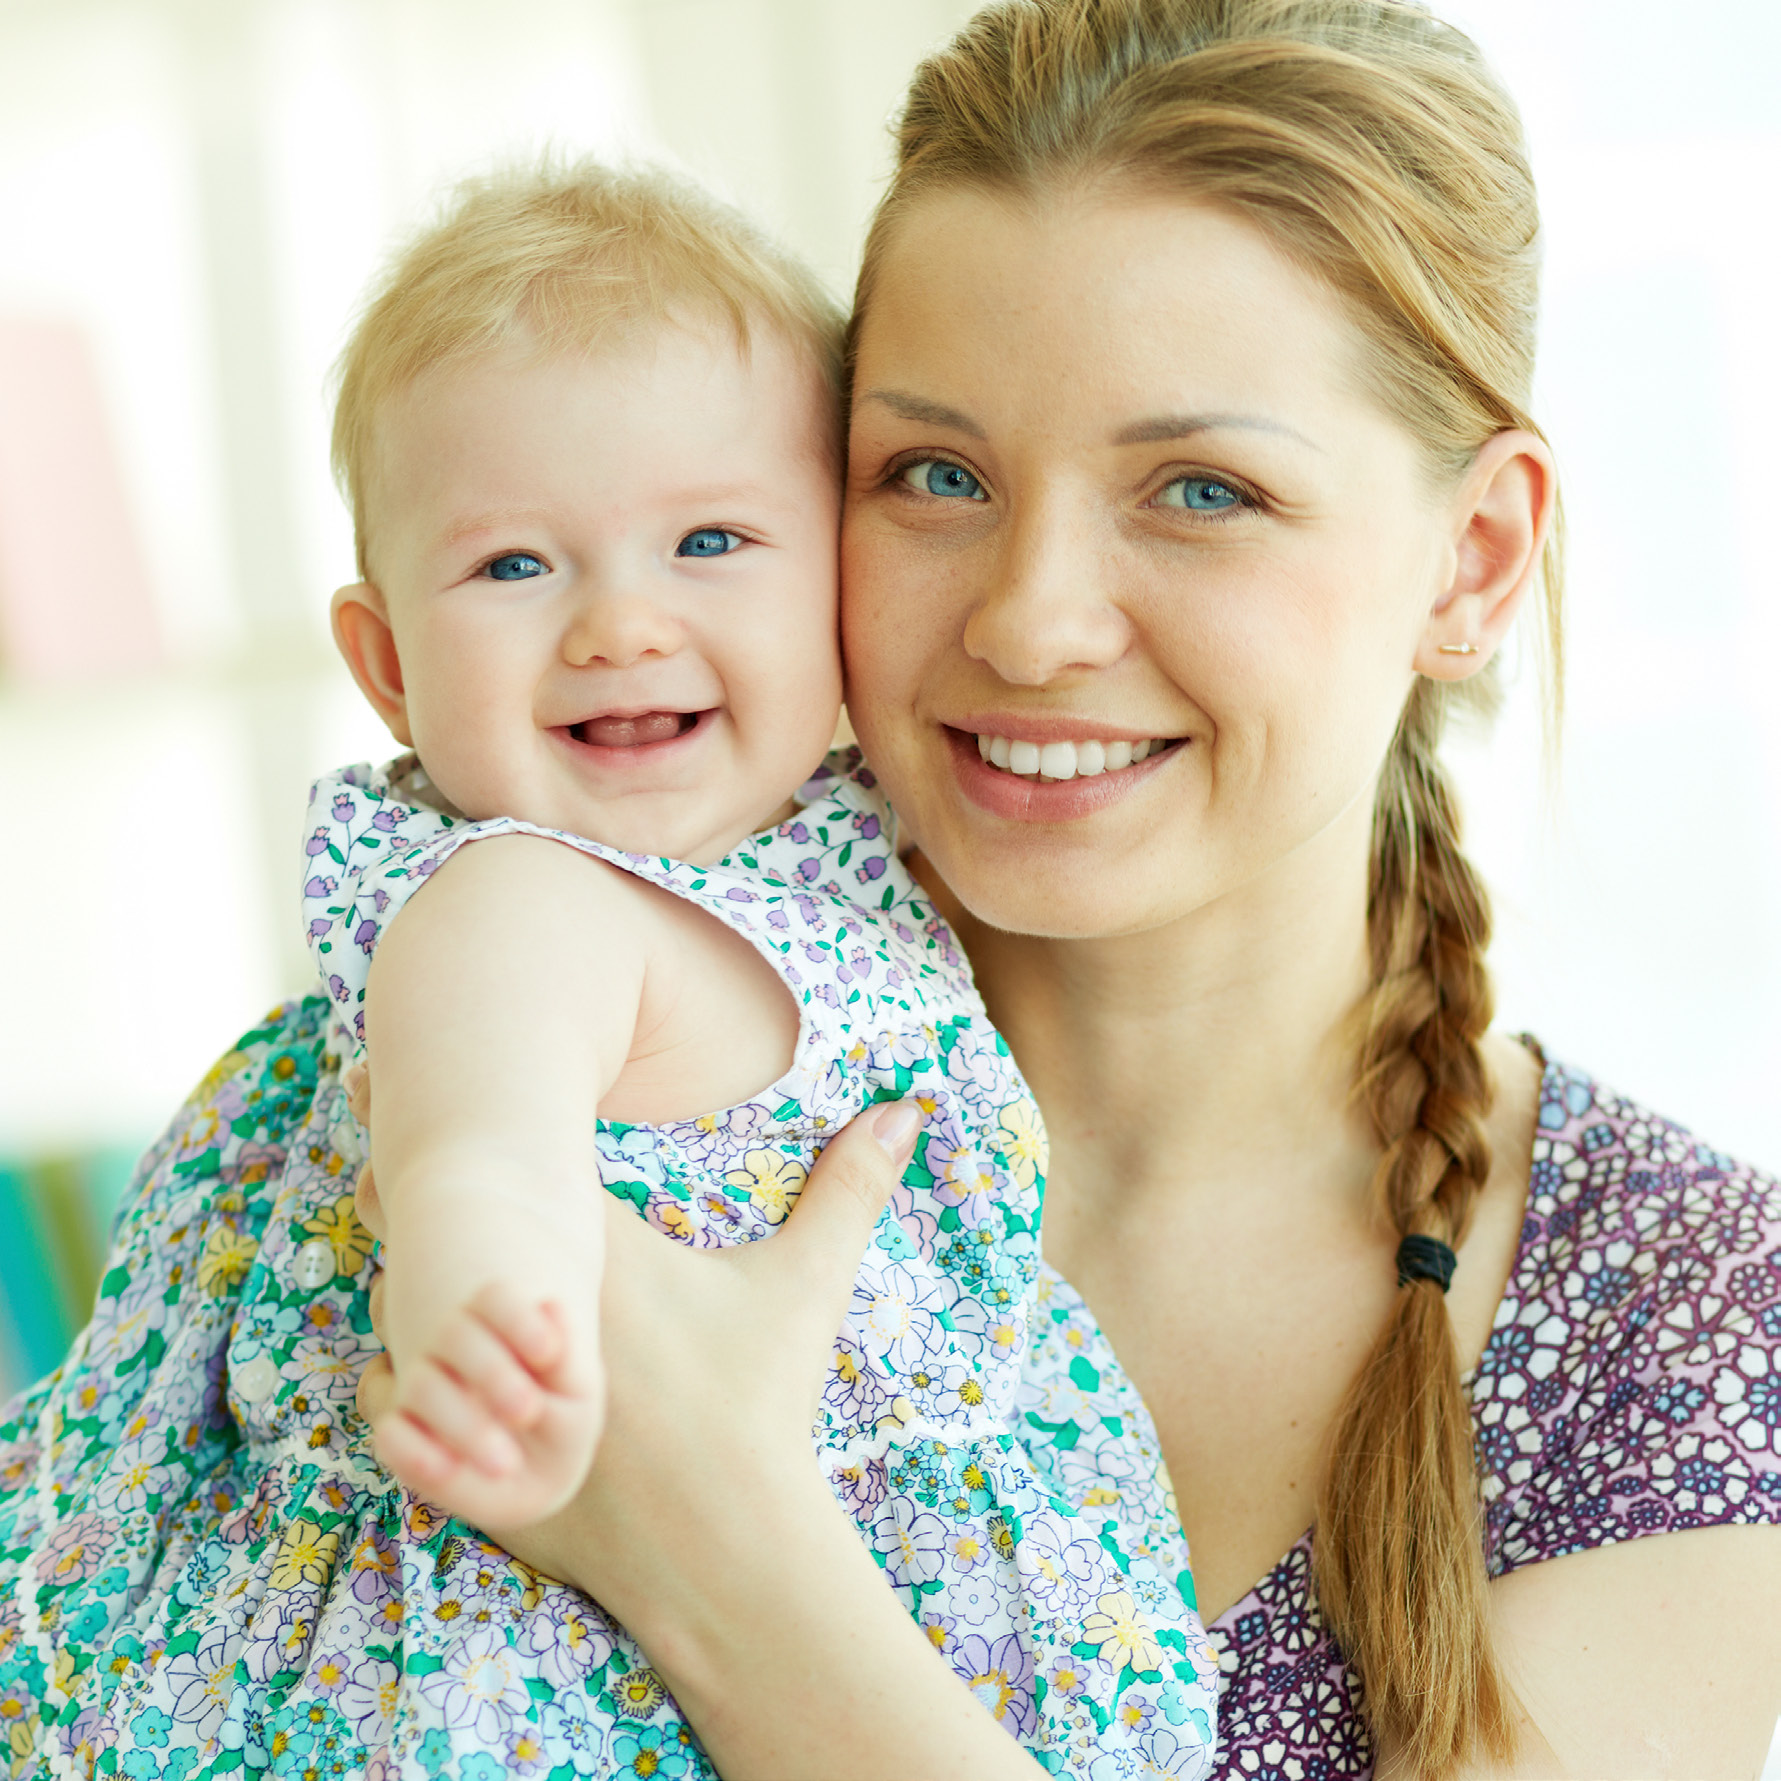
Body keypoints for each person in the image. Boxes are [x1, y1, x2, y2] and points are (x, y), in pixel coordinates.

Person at [352, 1, 1781, 1777]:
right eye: (934, 475)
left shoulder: (1676, 1335)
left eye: (1201, 489)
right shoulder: (525, 1062)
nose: (1030, 620)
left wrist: (718, 1552)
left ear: (1472, 559)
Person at [0, 159, 1217, 1778]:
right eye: (517, 567)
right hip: (525, 1667)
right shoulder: (523, 898)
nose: (620, 625)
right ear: (386, 667)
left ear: (840, 602)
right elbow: (477, 1142)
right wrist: (491, 1307)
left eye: (709, 540)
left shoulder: (826, 874)